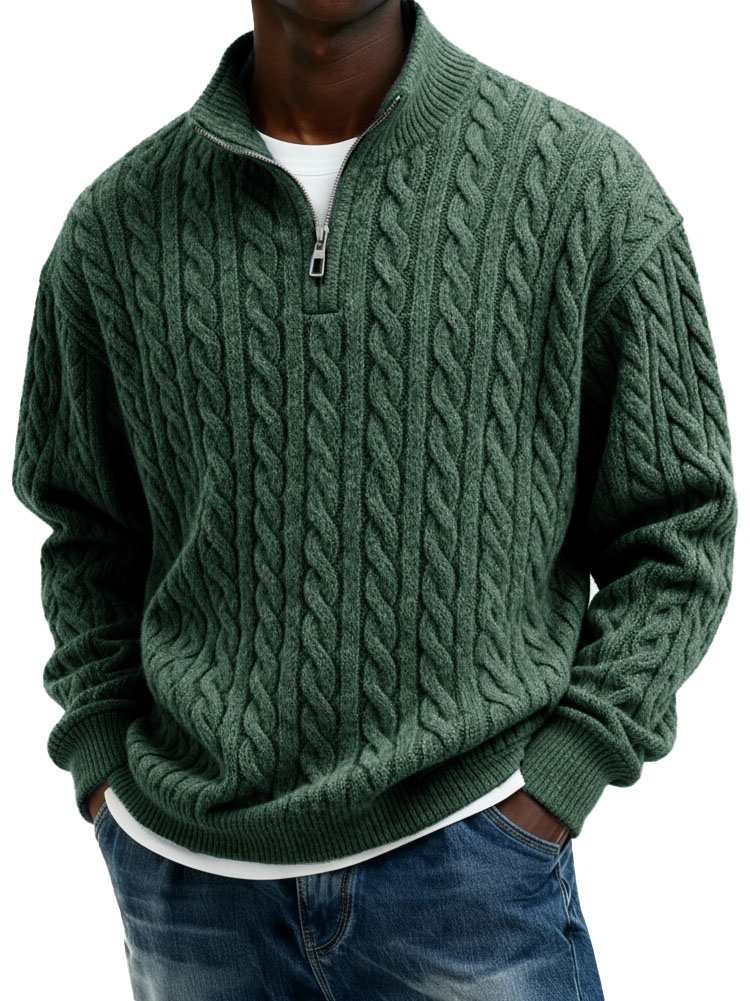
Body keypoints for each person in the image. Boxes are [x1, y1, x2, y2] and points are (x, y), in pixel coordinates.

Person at [11, 0, 737, 997]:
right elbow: (86, 528)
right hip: (192, 894)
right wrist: (103, 766)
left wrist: (566, 773)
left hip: (473, 869)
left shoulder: (581, 188)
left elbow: (682, 523)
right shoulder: (115, 229)